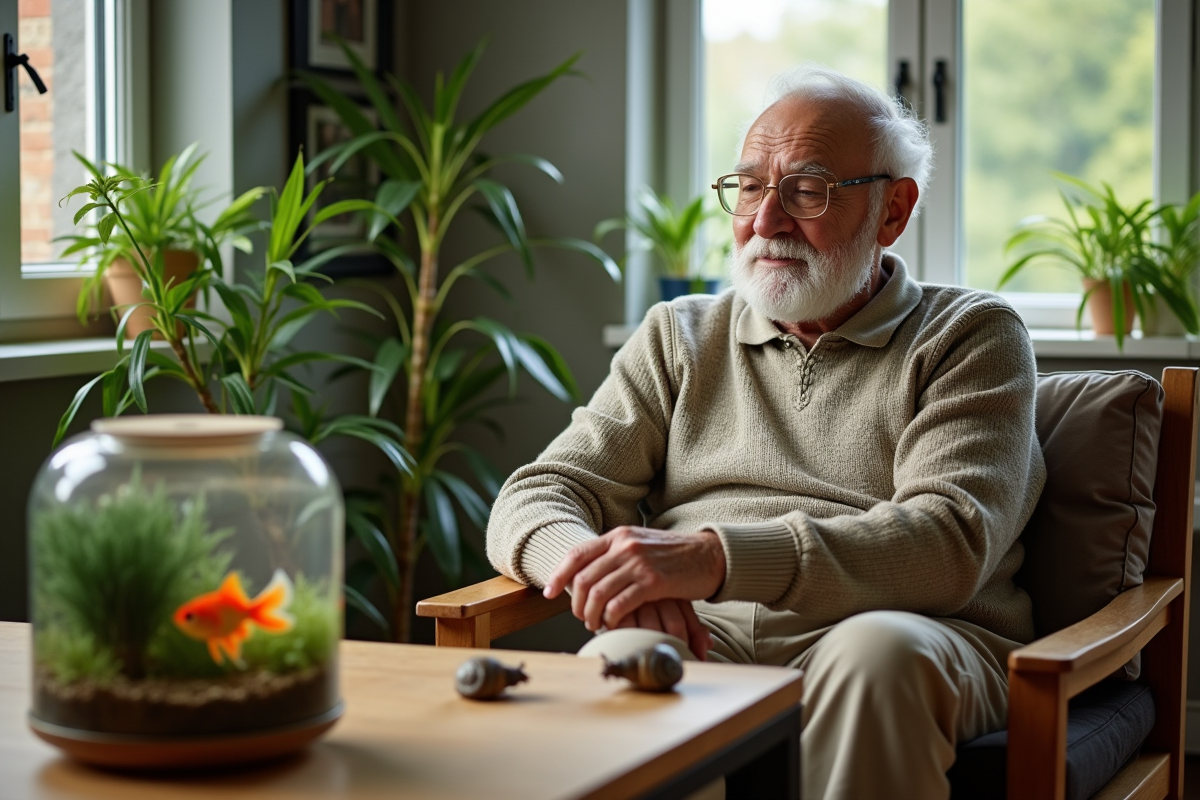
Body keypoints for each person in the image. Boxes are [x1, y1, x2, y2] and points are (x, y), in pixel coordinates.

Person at [486, 64, 1045, 800]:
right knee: (621, 657)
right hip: (701, 630)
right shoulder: (680, 335)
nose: (766, 220)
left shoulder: (970, 335)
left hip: (913, 631)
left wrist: (712, 559)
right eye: (750, 186)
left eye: (807, 190)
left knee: (876, 655)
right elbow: (540, 491)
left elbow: (947, 542)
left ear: (892, 211)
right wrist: (611, 571)